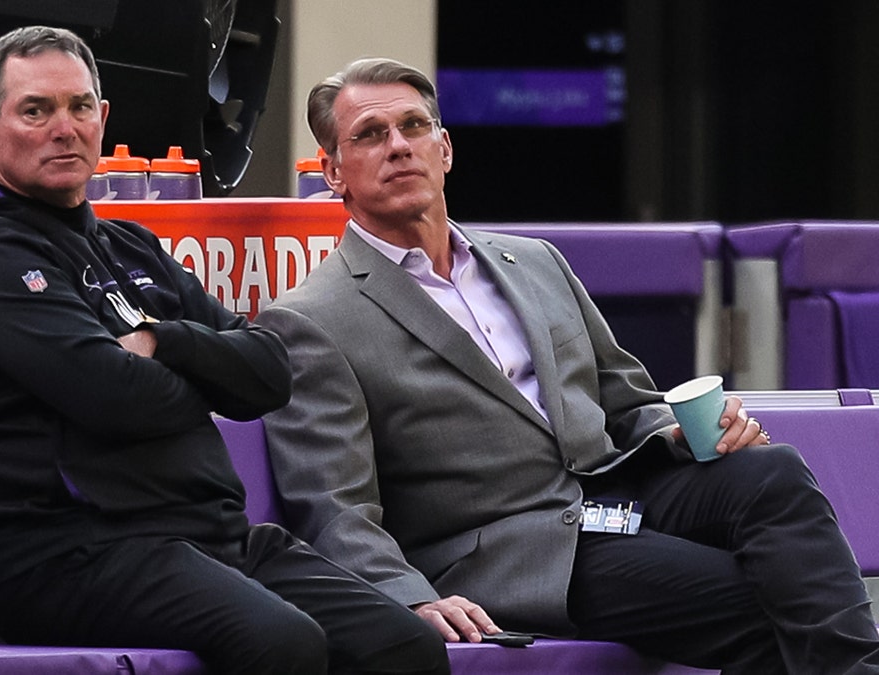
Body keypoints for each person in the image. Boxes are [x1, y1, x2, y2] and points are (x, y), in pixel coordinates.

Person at [256, 56, 879, 674]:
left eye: (414, 126)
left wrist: (684, 431)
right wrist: (408, 596)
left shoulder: (535, 261)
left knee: (773, 472)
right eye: (369, 135)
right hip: (516, 550)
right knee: (768, 603)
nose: (398, 146)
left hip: (620, 492)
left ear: (444, 149)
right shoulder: (311, 319)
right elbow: (334, 506)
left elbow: (628, 402)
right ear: (334, 173)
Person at [0, 29, 448, 675]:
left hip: (210, 538)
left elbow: (272, 372)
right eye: (35, 110)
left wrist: (165, 341)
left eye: (80, 107)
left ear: (103, 118)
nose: (64, 127)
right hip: (69, 554)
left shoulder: (129, 246)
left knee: (404, 645)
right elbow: (115, 398)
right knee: (283, 642)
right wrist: (204, 379)